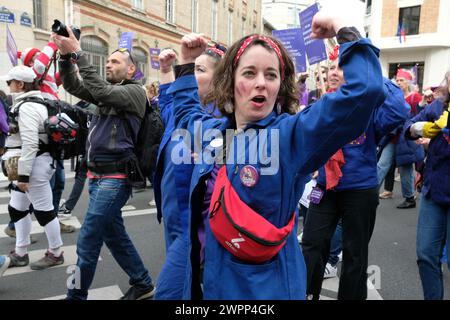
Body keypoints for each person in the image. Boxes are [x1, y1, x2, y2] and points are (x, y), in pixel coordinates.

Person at [168, 10, 386, 299]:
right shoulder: (212, 133)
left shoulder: (291, 137)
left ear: (279, 89)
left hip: (264, 290)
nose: (261, 82)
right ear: (230, 83)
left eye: (270, 75)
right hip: (206, 283)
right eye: (249, 73)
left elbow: (365, 92)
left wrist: (341, 27)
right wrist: (185, 63)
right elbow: (185, 112)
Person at [52, 27, 155, 300]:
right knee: (114, 236)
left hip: (116, 177)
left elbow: (99, 89)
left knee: (87, 241)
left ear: (131, 70)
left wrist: (79, 53)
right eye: (107, 61)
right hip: (98, 177)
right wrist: (64, 57)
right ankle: (143, 283)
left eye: (115, 62)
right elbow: (73, 85)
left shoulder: (135, 92)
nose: (108, 63)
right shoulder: (106, 92)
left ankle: (75, 297)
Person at [301, 45, 409, 300]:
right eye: (331, 68)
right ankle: (306, 295)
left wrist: (371, 73)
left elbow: (398, 111)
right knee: (312, 246)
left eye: (343, 67)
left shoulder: (367, 105)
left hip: (360, 189)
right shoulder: (322, 103)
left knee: (355, 255)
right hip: (325, 187)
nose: (334, 72)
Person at [153, 44, 225, 300]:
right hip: (172, 218)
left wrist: (215, 156)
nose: (189, 75)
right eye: (190, 68)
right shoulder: (182, 113)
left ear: (219, 80)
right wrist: (165, 70)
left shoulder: (219, 123)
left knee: (171, 292)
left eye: (199, 69)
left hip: (194, 227)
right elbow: (166, 102)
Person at [0, 65, 64, 270]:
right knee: (17, 208)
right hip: (31, 164)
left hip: (34, 166)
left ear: (20, 84)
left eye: (10, 82)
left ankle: (56, 253)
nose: (8, 85)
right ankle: (21, 252)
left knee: (44, 211)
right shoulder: (31, 102)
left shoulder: (27, 107)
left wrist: (24, 177)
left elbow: (30, 143)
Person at [406, 70, 450, 300]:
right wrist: (420, 129)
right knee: (426, 256)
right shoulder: (438, 107)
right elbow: (409, 127)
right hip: (434, 192)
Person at [377, 70, 425, 209]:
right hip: (393, 137)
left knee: (405, 169)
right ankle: (369, 194)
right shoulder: (394, 96)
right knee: (382, 164)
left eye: (402, 80)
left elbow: (420, 115)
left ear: (408, 82)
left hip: (407, 138)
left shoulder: (414, 97)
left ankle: (409, 198)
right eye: (397, 80)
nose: (398, 83)